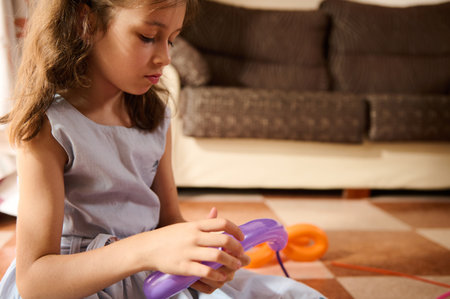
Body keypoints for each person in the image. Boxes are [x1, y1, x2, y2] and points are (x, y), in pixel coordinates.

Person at [0, 0, 326, 298]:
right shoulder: (48, 128)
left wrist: (197, 254)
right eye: (147, 36)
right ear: (86, 22)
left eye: (171, 40)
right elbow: (34, 281)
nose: (165, 58)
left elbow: (169, 222)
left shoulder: (154, 117)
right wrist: (148, 249)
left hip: (152, 280)